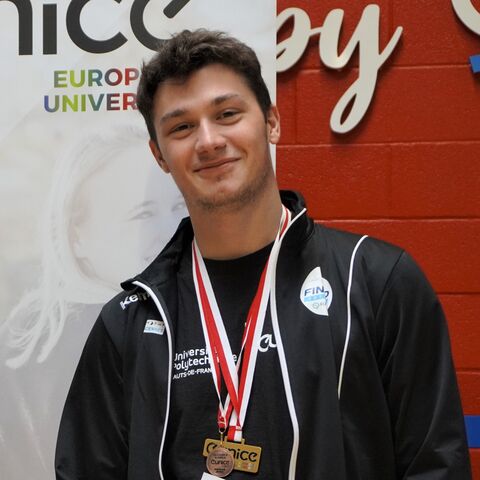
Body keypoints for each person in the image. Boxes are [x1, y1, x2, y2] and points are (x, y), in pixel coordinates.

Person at [55, 29, 472, 479]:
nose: (208, 140)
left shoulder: (376, 282)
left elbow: (436, 467)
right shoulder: (129, 323)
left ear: (272, 121)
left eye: (227, 114)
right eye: (182, 127)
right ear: (159, 155)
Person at [0, 125, 186, 480]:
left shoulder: (27, 331)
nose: (171, 227)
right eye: (143, 213)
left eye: (179, 205)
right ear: (77, 235)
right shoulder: (94, 335)